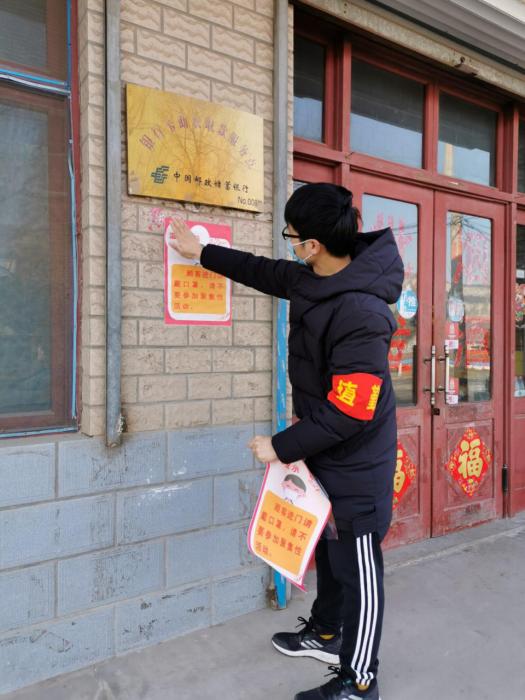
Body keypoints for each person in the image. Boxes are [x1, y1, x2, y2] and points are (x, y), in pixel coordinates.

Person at [168, 183, 404, 700]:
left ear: (312, 245)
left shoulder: (362, 312)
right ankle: (326, 633)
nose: (289, 244)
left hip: (358, 462)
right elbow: (262, 270)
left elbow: (351, 409)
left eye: (291, 235)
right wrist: (201, 252)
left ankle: (360, 681)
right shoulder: (313, 278)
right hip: (325, 451)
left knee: (359, 569)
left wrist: (282, 446)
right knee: (329, 552)